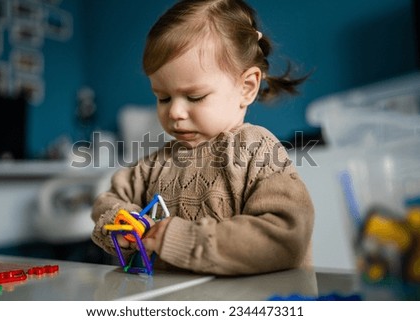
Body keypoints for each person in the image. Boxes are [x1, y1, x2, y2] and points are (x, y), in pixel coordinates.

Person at [91, 0, 314, 276]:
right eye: (163, 97)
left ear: (247, 87)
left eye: (194, 97)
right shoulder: (156, 162)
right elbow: (107, 200)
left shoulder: (258, 151)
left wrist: (180, 239)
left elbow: (285, 238)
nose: (174, 111)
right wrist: (123, 223)